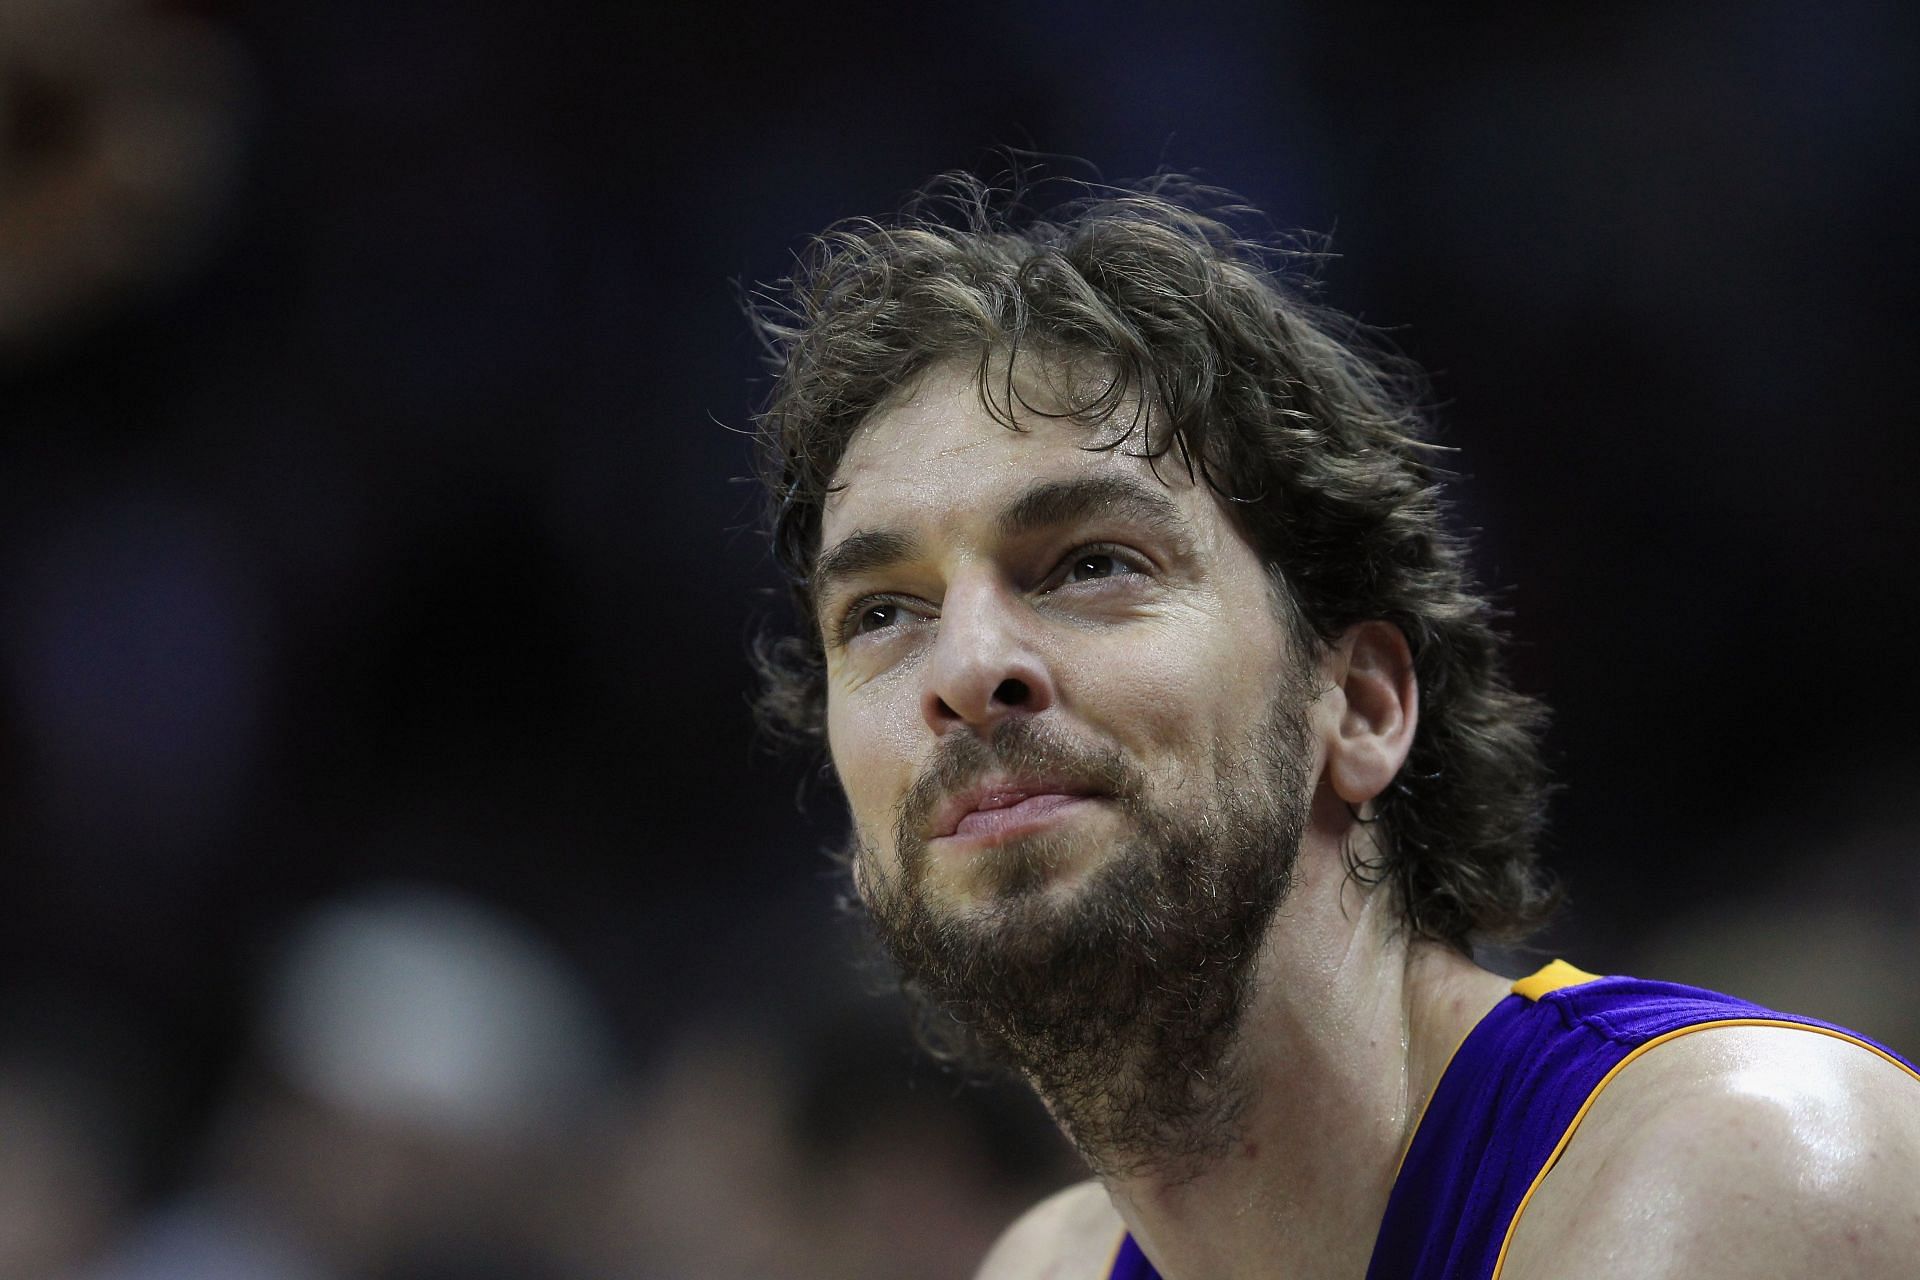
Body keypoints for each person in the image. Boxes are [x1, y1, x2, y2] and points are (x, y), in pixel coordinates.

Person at [743, 175, 1920, 1280]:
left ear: (1360, 704)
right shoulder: (1043, 1263)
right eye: (884, 611)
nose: (966, 666)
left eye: (1092, 562)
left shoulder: (1739, 1178)